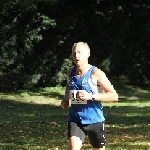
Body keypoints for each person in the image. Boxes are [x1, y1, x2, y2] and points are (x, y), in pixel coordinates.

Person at [61, 42, 118, 150]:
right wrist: (66, 100)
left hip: (95, 121)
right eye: (74, 53)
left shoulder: (96, 73)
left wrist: (90, 96)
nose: (76, 56)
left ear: (88, 54)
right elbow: (69, 85)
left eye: (79, 53)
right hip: (75, 119)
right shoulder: (70, 73)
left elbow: (114, 96)